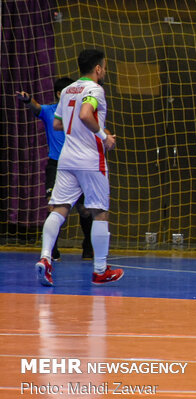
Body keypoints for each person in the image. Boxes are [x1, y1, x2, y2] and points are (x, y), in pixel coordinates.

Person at [35, 49, 124, 286]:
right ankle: (100, 270)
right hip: (90, 159)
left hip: (66, 159)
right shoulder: (95, 89)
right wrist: (103, 135)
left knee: (59, 208)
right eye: (103, 67)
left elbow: (56, 123)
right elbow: (85, 114)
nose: (104, 70)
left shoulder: (66, 91)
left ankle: (45, 259)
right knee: (99, 211)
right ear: (97, 69)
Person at [17, 79, 94, 261]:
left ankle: (88, 247)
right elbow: (37, 108)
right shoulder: (50, 111)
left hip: (78, 165)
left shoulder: (81, 113)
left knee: (84, 209)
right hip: (56, 165)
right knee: (54, 207)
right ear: (60, 94)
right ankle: (51, 250)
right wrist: (28, 101)